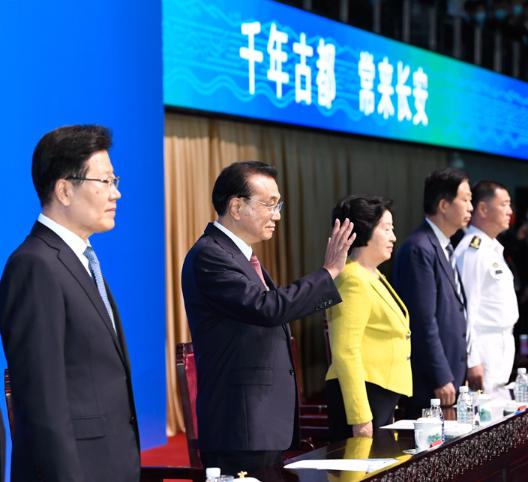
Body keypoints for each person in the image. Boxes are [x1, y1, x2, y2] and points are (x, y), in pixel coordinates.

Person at [181, 161, 355, 474]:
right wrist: (328, 273)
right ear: (236, 206)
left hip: (258, 423)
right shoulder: (211, 255)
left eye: (279, 205)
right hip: (238, 426)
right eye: (270, 205)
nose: (277, 216)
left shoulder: (240, 256)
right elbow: (267, 308)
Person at [0, 125, 139, 482]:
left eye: (114, 180)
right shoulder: (34, 265)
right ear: (64, 190)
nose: (117, 193)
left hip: (111, 464)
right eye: (105, 181)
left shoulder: (81, 259)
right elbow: (41, 401)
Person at [392, 168, 480, 418]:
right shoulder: (420, 248)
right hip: (432, 382)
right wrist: (440, 375)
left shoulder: (443, 245)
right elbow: (423, 320)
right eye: (465, 199)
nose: (470, 207)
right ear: (443, 205)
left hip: (452, 374)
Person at [324, 196, 412, 442]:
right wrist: (360, 417)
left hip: (380, 392)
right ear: (364, 230)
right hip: (362, 394)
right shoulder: (353, 278)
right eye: (387, 229)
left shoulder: (372, 275)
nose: (393, 237)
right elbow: (345, 350)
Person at [454, 181, 519, 398]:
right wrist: (472, 360)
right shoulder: (473, 249)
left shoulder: (492, 247)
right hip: (484, 347)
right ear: (482, 208)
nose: (510, 211)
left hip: (501, 344)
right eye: (504, 204)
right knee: (485, 410)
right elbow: (466, 308)